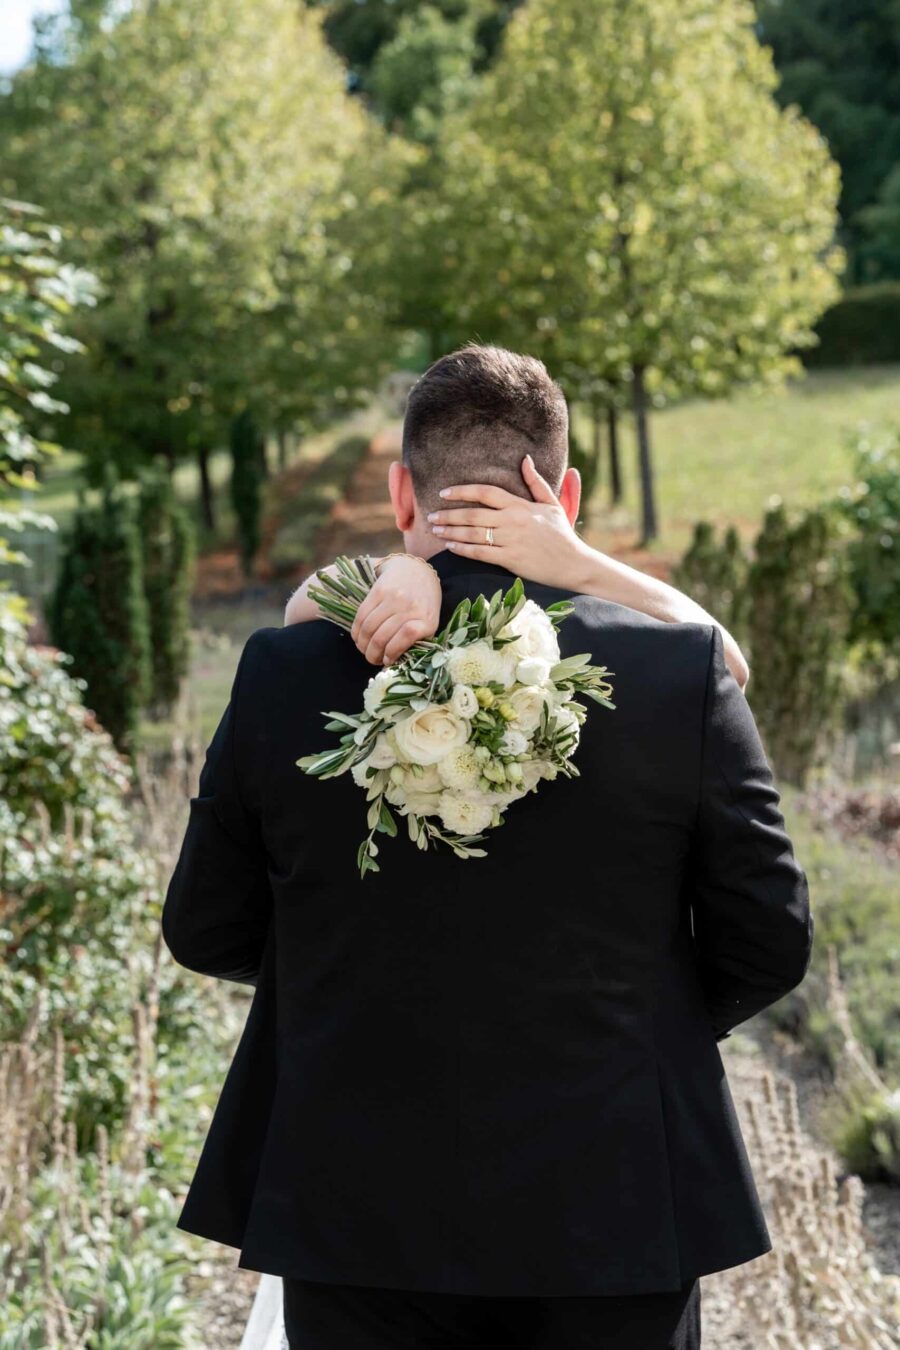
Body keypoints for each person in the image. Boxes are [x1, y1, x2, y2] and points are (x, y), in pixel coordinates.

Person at [163, 345, 814, 1349]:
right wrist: (639, 1020)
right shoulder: (677, 671)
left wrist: (354, 986)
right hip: (617, 1202)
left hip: (357, 1207)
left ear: (398, 491)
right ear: (568, 492)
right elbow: (769, 940)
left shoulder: (285, 674)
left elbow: (206, 925)